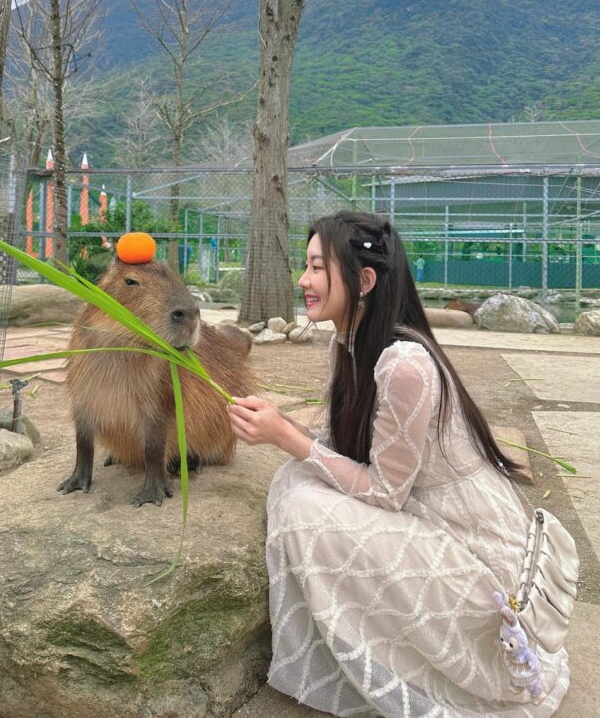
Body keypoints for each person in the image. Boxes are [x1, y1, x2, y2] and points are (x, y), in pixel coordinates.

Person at [227, 211, 570, 717]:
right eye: (306, 266)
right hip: (423, 514)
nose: (303, 280)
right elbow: (345, 450)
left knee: (304, 503)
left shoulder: (405, 364)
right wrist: (284, 430)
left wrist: (287, 438)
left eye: (318, 268)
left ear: (365, 280)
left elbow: (384, 492)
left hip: (467, 544)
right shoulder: (349, 345)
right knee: (297, 482)